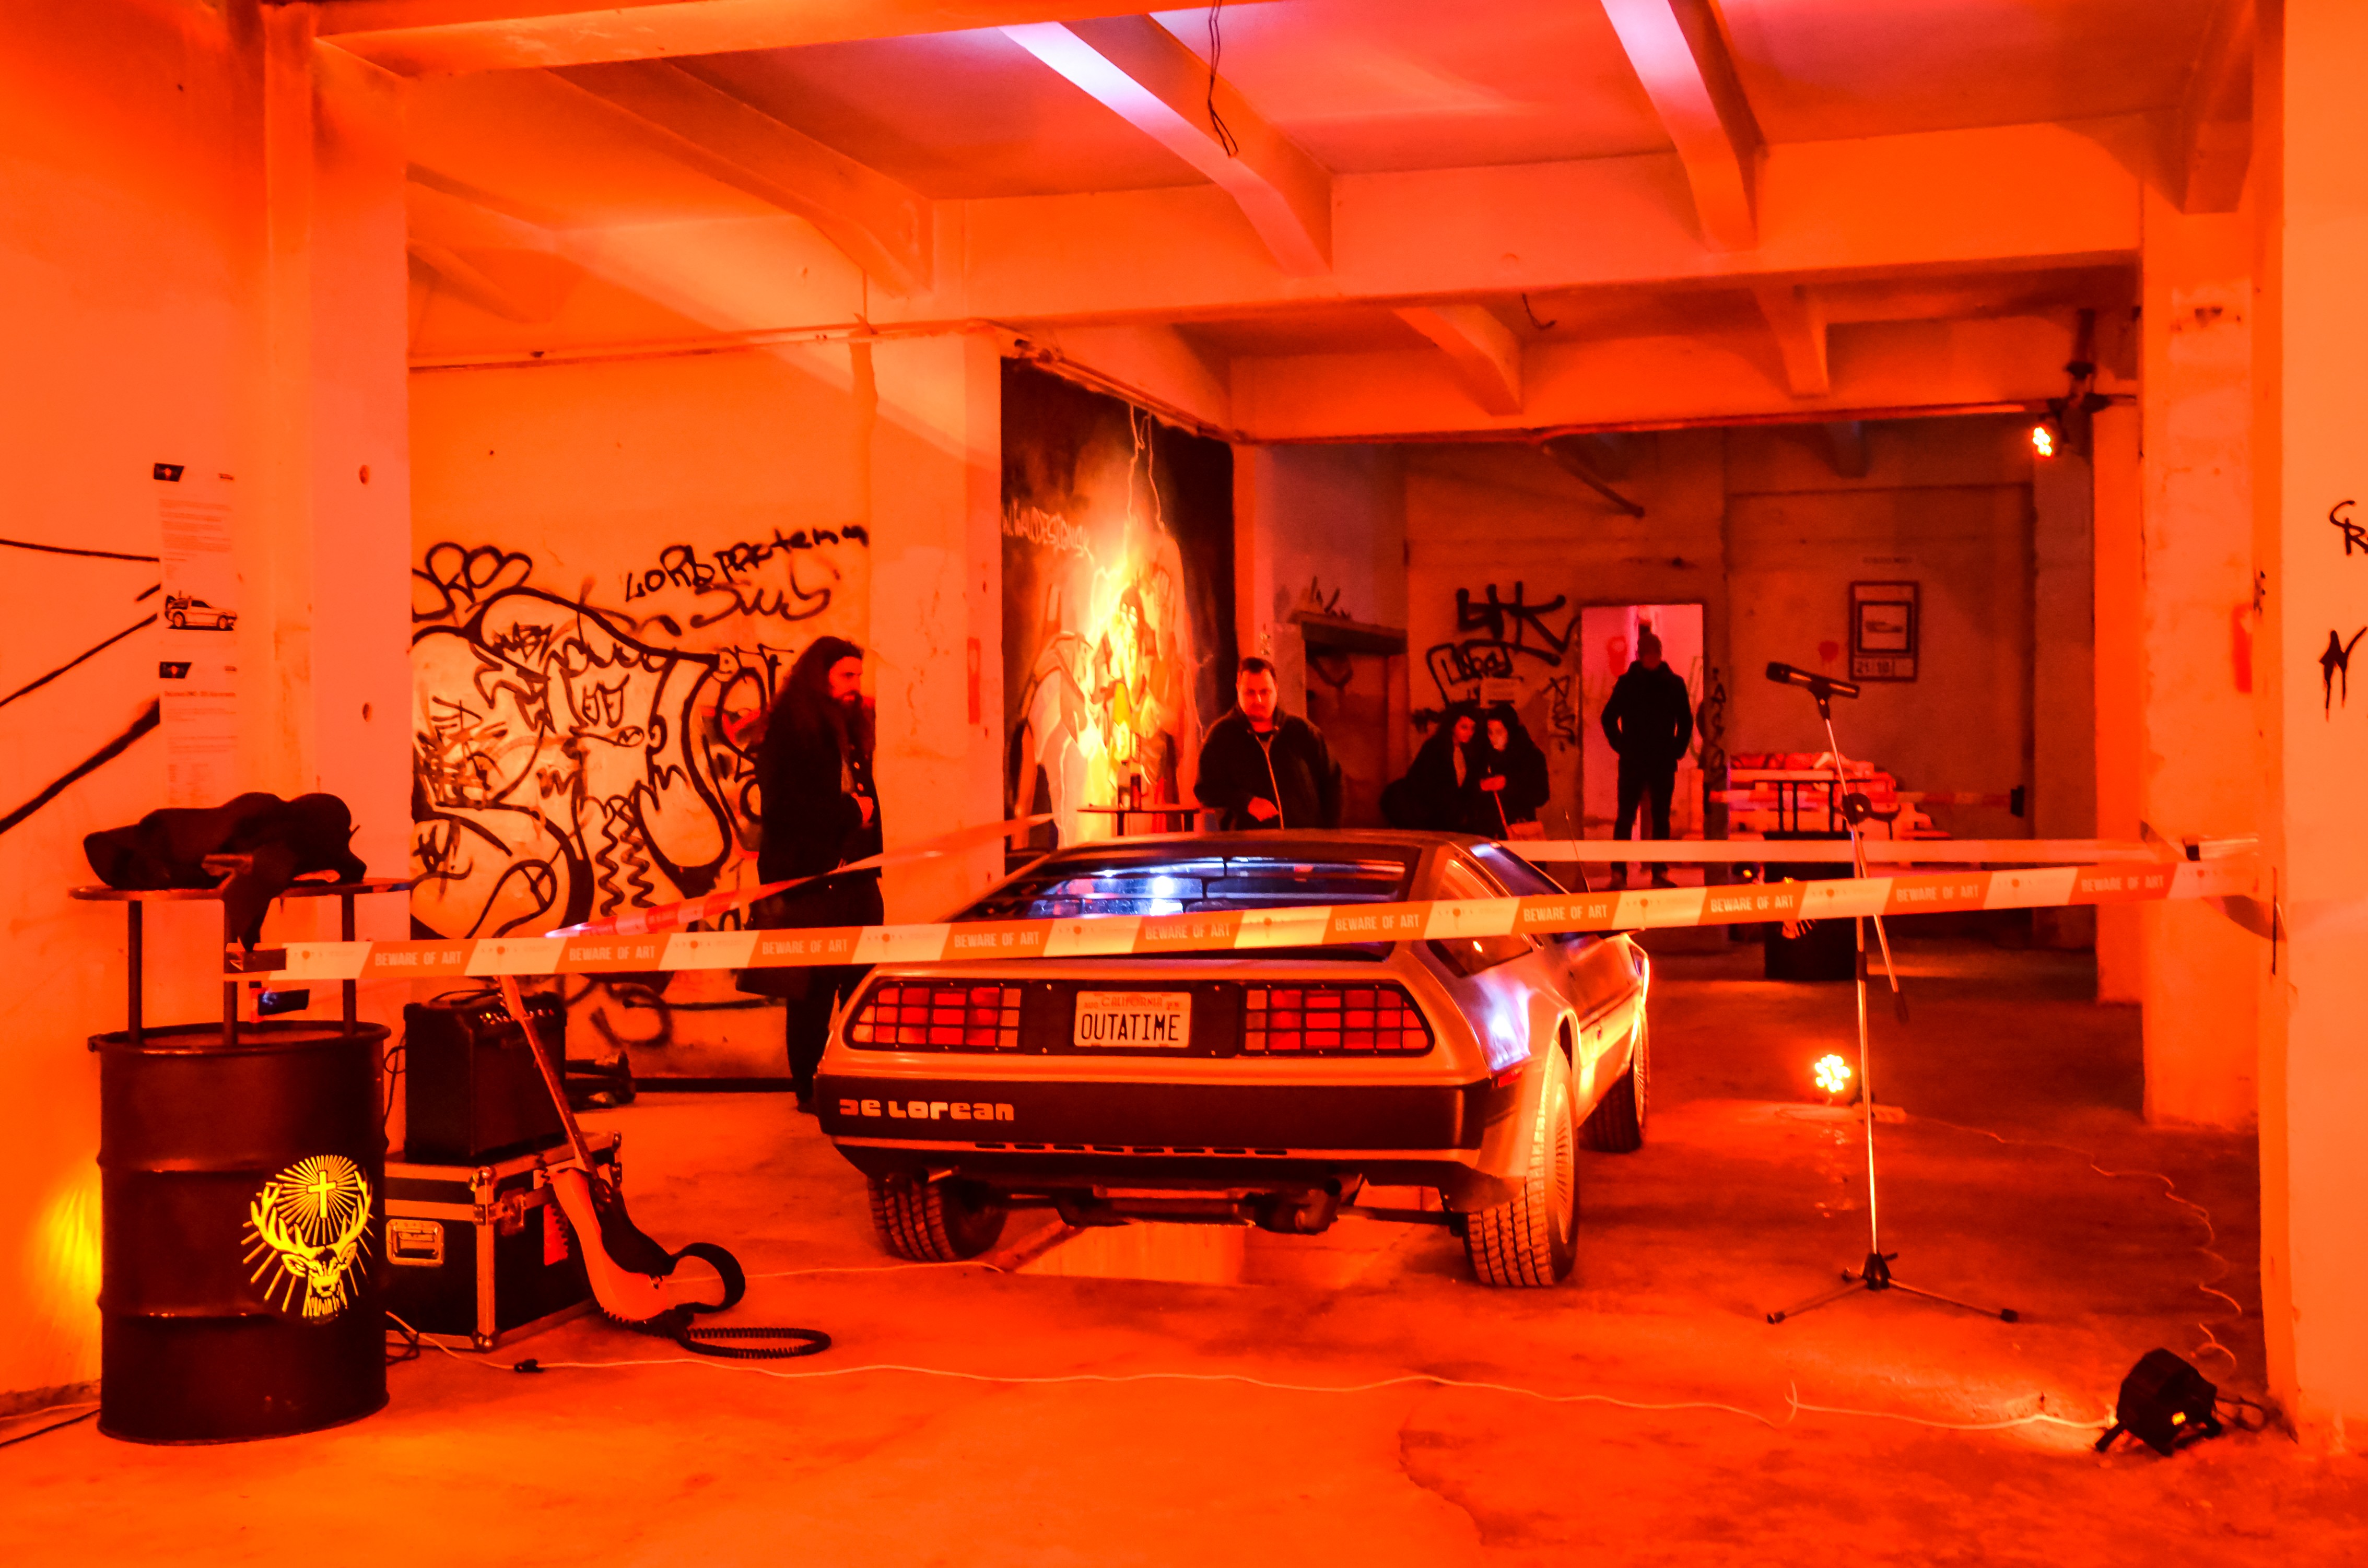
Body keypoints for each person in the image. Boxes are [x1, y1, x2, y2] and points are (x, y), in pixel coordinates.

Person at [742, 636, 881, 1110]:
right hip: (808, 882)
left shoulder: (850, 727)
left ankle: (855, 1076)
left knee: (863, 984)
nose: (855, 686)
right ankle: (810, 1086)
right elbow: (786, 808)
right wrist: (852, 812)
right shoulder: (790, 730)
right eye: (846, 676)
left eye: (858, 676)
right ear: (819, 677)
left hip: (856, 877)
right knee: (812, 991)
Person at [1194, 655, 1343, 831]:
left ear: (1276, 689)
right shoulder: (1221, 736)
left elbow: (1332, 782)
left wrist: (1330, 833)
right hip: (1248, 844)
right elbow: (1206, 789)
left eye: (1265, 692)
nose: (1258, 700)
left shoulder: (1303, 732)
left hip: (1304, 843)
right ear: (1238, 690)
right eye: (1250, 692)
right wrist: (1246, 801)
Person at [1599, 630, 1693, 887]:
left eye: (1653, 654)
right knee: (1638, 817)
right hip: (1651, 759)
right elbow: (1685, 721)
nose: (1651, 658)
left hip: (1643, 759)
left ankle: (1632, 872)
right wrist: (1675, 750)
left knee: (1640, 817)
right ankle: (1647, 872)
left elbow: (1686, 721)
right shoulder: (1670, 684)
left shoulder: (1632, 683)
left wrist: (1623, 746)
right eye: (1649, 654)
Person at [1380, 704, 1478, 831]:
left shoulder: (1467, 752)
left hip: (1447, 817)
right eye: (1464, 727)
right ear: (1452, 726)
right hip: (1429, 816)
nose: (1469, 733)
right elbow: (1428, 785)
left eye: (1473, 728)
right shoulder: (1436, 748)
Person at [1466, 705, 1550, 836]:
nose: (1493, 738)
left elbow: (1541, 795)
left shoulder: (1531, 756)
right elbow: (1467, 793)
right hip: (1487, 832)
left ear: (1510, 731)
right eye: (1490, 732)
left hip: (1519, 829)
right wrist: (1481, 787)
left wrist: (1508, 785)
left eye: (1499, 732)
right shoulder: (1482, 755)